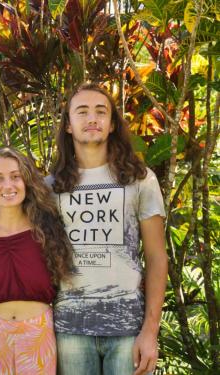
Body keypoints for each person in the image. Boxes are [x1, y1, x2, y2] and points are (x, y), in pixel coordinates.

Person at [47, 83, 168, 375]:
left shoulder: (140, 179)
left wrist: (150, 332)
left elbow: (156, 257)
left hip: (128, 329)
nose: (92, 119)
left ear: (112, 124)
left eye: (101, 112)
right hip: (70, 329)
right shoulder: (50, 187)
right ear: (67, 125)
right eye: (82, 111)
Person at [0, 147, 73, 374]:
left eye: (15, 176)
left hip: (37, 332)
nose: (8, 185)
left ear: (27, 181)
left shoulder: (46, 225)